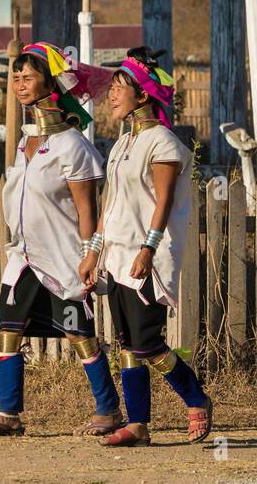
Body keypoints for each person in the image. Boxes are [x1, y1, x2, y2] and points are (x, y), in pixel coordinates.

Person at [0, 41, 123, 438]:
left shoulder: (74, 146)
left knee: (78, 334)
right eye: (15, 78)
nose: (19, 85)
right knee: (9, 328)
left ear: (50, 83)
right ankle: (9, 414)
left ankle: (108, 410)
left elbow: (87, 210)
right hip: (23, 256)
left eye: (28, 77)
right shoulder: (27, 141)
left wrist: (90, 256)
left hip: (62, 257)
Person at [80, 46, 212, 446]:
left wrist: (147, 250)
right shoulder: (120, 145)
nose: (112, 95)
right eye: (113, 87)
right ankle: (137, 425)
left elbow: (164, 202)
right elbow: (111, 205)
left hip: (146, 258)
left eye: (121, 87)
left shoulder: (163, 143)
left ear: (144, 95)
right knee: (126, 344)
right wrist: (93, 250)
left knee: (147, 341)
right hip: (115, 256)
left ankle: (195, 396)